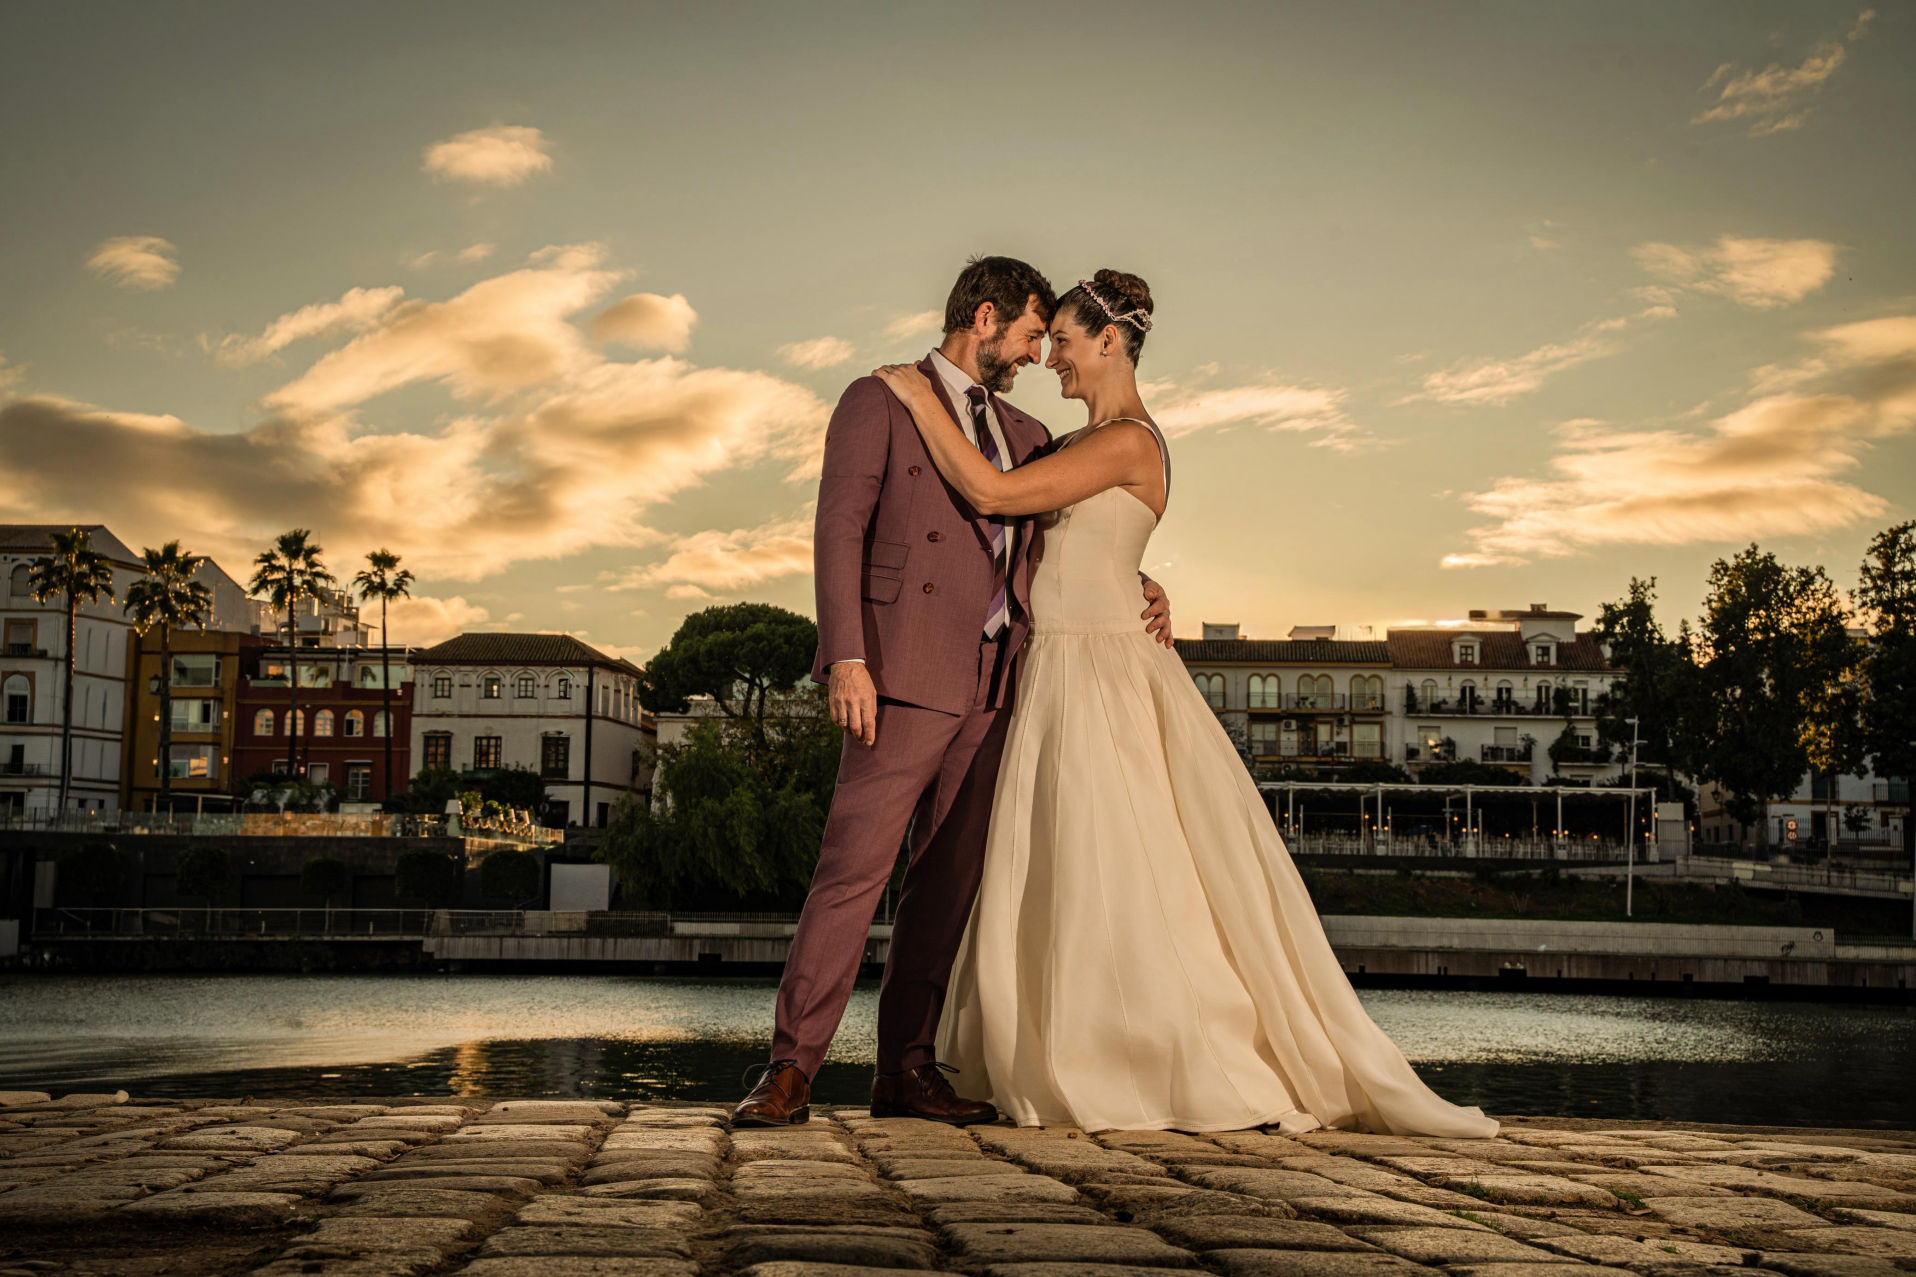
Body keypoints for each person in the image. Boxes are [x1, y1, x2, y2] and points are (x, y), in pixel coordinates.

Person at [870, 270, 1496, 1137]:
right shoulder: (1082, 442)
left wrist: (915, 397)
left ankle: (1150, 1055)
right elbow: (1066, 539)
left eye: (1063, 340)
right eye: (1044, 340)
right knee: (1063, 875)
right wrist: (1140, 576)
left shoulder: (1129, 439)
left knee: (1121, 872)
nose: (1051, 355)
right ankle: (1065, 1044)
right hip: (1052, 669)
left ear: (1110, 342)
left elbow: (994, 494)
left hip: (1098, 678)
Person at [732, 257, 1175, 1127]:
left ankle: (905, 1069)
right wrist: (846, 656)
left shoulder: (1029, 432)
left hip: (999, 686)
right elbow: (838, 528)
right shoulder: (881, 400)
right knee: (850, 875)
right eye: (1028, 335)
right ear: (984, 318)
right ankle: (791, 1067)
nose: (1037, 354)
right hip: (899, 675)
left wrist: (1145, 581)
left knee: (946, 883)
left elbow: (1069, 537)